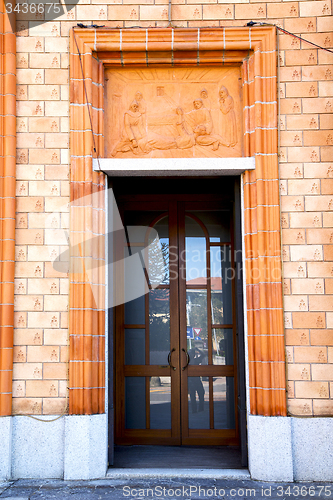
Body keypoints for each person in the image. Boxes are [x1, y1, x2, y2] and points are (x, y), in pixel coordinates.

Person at [188, 347, 206, 413]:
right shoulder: (194, 361)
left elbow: (203, 355)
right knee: (198, 394)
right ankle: (199, 408)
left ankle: (195, 409)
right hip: (194, 380)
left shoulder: (188, 361)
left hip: (193, 380)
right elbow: (203, 355)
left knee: (195, 395)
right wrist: (198, 350)